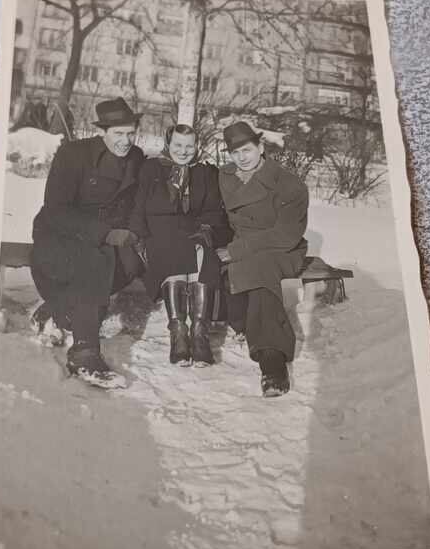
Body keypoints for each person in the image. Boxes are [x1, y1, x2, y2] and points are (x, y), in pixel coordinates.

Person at [30, 98, 145, 386]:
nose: (125, 141)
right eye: (118, 133)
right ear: (103, 131)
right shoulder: (74, 154)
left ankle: (57, 309)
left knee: (131, 264)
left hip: (106, 240)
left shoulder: (136, 159)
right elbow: (55, 209)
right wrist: (103, 232)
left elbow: (137, 203)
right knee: (94, 263)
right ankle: (84, 352)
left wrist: (132, 232)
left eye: (131, 133)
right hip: (60, 236)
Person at [218, 121, 309, 398]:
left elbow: (286, 234)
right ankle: (242, 323)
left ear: (261, 147)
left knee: (262, 278)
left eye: (247, 150)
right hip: (242, 245)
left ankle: (273, 364)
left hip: (282, 248)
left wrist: (239, 250)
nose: (241, 158)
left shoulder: (288, 184)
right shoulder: (226, 176)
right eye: (235, 153)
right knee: (241, 281)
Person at [129, 124, 231, 366]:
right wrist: (139, 238)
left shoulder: (206, 173)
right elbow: (138, 207)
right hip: (158, 233)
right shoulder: (151, 168)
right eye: (178, 145)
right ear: (168, 144)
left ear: (197, 146)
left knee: (203, 254)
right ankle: (178, 333)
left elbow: (214, 211)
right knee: (173, 247)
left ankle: (199, 334)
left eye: (189, 146)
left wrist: (206, 228)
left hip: (194, 232)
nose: (183, 151)